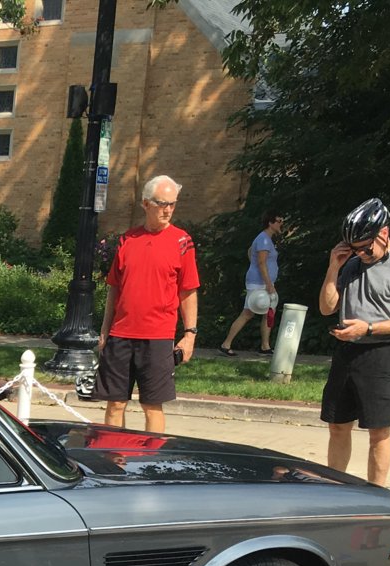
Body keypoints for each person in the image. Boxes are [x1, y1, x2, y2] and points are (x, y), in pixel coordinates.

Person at [318, 197, 390, 487]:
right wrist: (333, 268)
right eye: (354, 248)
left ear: (384, 233)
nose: (361, 254)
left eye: (366, 248)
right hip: (347, 352)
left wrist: (368, 329)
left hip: (382, 353)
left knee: (378, 432)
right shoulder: (351, 264)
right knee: (337, 425)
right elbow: (326, 308)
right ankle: (335, 488)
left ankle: (377, 494)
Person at [94, 174, 200, 433]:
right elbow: (114, 289)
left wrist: (190, 335)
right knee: (115, 405)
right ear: (145, 204)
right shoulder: (127, 240)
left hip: (158, 336)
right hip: (121, 334)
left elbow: (188, 291)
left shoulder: (182, 242)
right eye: (162, 203)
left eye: (172, 204)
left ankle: (151, 457)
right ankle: (113, 454)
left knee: (151, 406)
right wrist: (105, 330)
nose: (168, 210)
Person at [219, 211, 283, 356]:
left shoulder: (265, 239)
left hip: (264, 282)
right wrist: (269, 284)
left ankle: (265, 346)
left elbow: (250, 252)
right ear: (270, 223)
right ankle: (226, 344)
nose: (281, 224)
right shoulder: (263, 239)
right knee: (248, 313)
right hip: (259, 284)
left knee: (269, 311)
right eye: (279, 221)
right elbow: (261, 262)